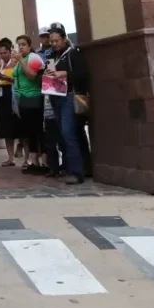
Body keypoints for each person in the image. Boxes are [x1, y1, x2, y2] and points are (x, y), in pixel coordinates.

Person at [44, 23, 88, 186]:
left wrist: (65, 74)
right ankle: (73, 167)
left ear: (64, 39)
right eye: (52, 41)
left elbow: (83, 74)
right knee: (64, 134)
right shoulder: (51, 57)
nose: (54, 43)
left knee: (69, 133)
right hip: (56, 96)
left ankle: (76, 172)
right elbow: (50, 77)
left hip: (69, 97)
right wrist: (47, 76)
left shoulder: (73, 53)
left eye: (57, 41)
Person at [12, 34, 45, 173]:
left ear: (30, 46)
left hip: (33, 98)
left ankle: (44, 163)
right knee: (29, 132)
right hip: (23, 100)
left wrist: (20, 61)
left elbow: (32, 76)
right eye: (19, 44)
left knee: (36, 131)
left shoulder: (33, 58)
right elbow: (17, 78)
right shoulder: (22, 59)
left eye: (23, 44)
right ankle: (34, 162)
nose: (20, 47)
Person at [0, 38, 18, 166]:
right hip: (1, 95)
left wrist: (6, 77)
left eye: (5, 53)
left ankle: (27, 158)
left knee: (18, 128)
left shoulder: (16, 64)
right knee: (6, 129)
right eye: (1, 53)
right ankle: (10, 157)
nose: (3, 55)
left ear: (10, 52)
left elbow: (19, 80)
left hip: (12, 95)